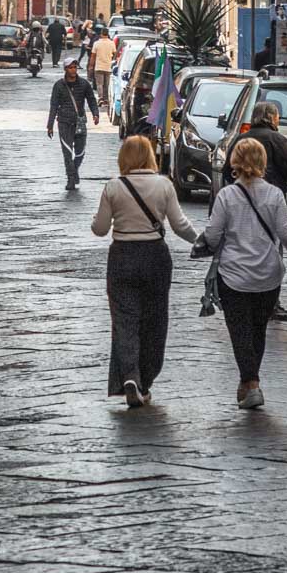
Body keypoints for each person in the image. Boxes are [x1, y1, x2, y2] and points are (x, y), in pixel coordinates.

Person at [196, 137, 287, 409]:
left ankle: (252, 383)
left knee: (239, 331)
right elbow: (286, 233)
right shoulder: (275, 195)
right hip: (268, 275)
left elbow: (213, 235)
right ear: (263, 163)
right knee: (258, 330)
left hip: (234, 275)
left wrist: (206, 245)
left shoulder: (226, 196)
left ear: (234, 163)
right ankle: (249, 383)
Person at [91, 135, 199, 408]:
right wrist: (201, 241)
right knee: (155, 321)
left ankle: (130, 376)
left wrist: (103, 219)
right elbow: (179, 224)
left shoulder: (113, 187)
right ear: (150, 156)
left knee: (125, 320)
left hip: (122, 257)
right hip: (155, 257)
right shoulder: (164, 185)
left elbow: (100, 229)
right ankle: (145, 379)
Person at [222, 102, 287, 322]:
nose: (278, 120)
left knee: (242, 250)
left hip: (240, 207)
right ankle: (270, 303)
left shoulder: (241, 139)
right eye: (277, 116)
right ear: (271, 118)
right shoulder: (278, 140)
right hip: (270, 206)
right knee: (272, 253)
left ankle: (243, 295)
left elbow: (226, 171)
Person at [47, 56, 100, 189]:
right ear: (65, 69)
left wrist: (95, 114)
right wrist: (50, 125)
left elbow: (91, 100)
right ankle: (70, 178)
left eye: (75, 67)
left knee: (80, 152)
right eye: (70, 67)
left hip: (80, 122)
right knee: (67, 152)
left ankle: (74, 170)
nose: (73, 70)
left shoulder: (84, 84)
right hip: (64, 122)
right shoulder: (59, 85)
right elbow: (53, 105)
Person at [89, 24, 117, 110]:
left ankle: (100, 98)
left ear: (101, 34)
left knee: (99, 84)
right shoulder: (112, 43)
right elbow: (114, 54)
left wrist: (91, 66)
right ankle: (106, 100)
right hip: (108, 66)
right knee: (106, 84)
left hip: (99, 67)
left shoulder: (96, 43)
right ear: (108, 34)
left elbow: (93, 56)